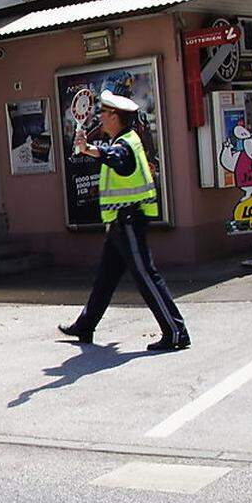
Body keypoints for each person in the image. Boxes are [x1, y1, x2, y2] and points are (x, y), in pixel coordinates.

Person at [58, 90, 191, 351]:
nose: (101, 117)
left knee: (146, 275)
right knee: (106, 277)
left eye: (105, 114)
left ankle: (176, 331)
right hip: (121, 223)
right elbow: (111, 153)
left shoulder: (124, 145)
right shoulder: (127, 139)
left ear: (116, 117)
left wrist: (89, 150)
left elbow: (115, 157)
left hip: (128, 220)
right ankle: (85, 325)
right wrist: (90, 148)